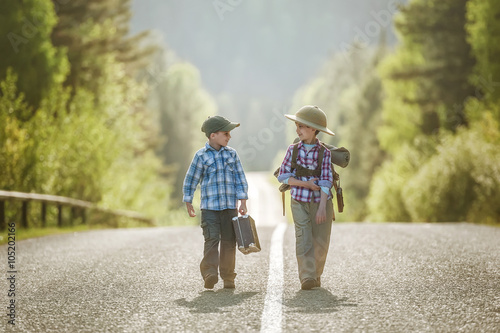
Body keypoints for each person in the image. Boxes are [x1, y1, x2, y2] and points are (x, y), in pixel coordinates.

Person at [183, 115, 249, 289]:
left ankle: (228, 277)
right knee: (211, 240)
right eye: (226, 133)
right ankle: (210, 273)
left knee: (229, 241)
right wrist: (188, 201)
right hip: (209, 209)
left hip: (229, 208)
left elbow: (240, 178)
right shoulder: (201, 156)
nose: (229, 137)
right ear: (213, 135)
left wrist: (242, 201)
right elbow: (191, 179)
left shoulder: (232, 154)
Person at [277, 105, 335, 290]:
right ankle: (307, 277)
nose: (297, 130)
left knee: (321, 240)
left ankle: (316, 274)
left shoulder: (324, 153)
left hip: (321, 202)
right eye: (297, 126)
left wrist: (321, 208)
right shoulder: (292, 150)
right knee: (304, 238)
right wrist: (306, 184)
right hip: (299, 201)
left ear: (313, 129)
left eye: (301, 126)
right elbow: (283, 176)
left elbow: (326, 181)